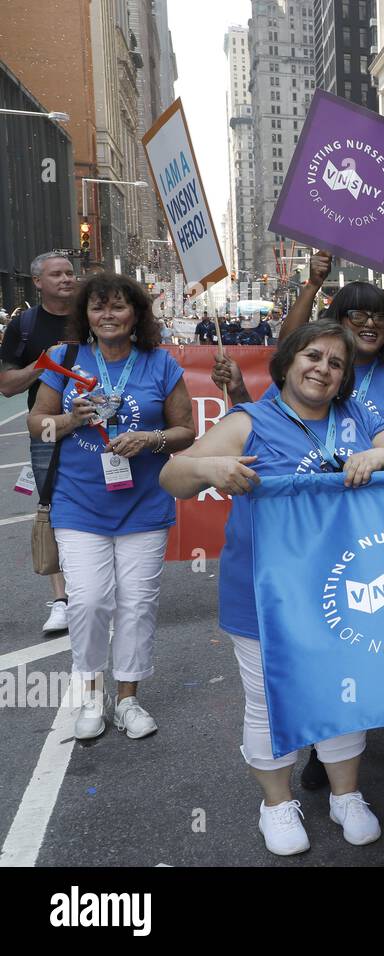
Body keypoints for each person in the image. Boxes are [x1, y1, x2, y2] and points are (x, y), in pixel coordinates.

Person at [161, 321, 384, 856]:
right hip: (264, 593)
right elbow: (173, 476)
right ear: (287, 363)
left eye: (335, 363)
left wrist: (379, 456)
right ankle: (276, 804)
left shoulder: (358, 416)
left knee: (346, 689)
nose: (322, 369)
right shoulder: (249, 420)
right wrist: (212, 467)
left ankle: (346, 796)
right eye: (312, 356)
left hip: (349, 589)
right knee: (267, 699)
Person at [27, 273, 196, 740]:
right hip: (78, 504)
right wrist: (66, 418)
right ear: (85, 315)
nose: (107, 315)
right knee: (88, 603)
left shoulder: (160, 363)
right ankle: (88, 697)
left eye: (118, 306)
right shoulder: (63, 360)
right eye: (98, 308)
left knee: (137, 604)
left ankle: (127, 700)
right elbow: (35, 425)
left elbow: (187, 432)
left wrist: (151, 439)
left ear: (135, 314)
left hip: (143, 504)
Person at [0, 252, 80, 634]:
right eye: (57, 274)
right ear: (37, 282)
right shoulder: (25, 326)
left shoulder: (96, 310)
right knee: (52, 507)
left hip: (102, 425)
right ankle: (62, 599)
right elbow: (7, 385)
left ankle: (99, 588)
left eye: (70, 272)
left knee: (109, 496)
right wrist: (43, 366)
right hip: (47, 428)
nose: (67, 279)